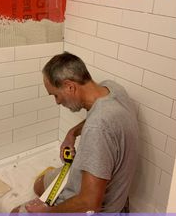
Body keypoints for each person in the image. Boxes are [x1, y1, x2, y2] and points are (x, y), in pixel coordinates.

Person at [12, 52, 138, 213]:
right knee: (39, 185)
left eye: (56, 95)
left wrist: (47, 212)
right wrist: (72, 133)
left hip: (97, 207)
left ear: (70, 86)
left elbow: (90, 203)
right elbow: (103, 120)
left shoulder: (97, 129)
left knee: (15, 212)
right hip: (92, 178)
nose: (57, 102)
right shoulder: (112, 89)